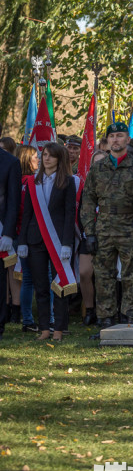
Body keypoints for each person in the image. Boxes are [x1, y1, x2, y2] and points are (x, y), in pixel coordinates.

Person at [81, 122, 133, 327]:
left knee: (132, 276)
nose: (115, 140)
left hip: (130, 227)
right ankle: (106, 321)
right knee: (104, 276)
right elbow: (87, 201)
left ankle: (130, 321)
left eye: (120, 135)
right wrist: (90, 233)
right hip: (103, 228)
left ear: (127, 140)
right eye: (112, 136)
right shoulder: (98, 168)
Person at [18, 143, 76, 342]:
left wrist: (68, 243)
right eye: (44, 155)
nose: (46, 159)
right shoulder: (33, 182)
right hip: (35, 239)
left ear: (60, 158)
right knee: (40, 285)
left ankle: (58, 329)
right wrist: (23, 241)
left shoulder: (68, 182)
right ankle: (44, 329)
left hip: (58, 240)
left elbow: (70, 215)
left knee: (59, 285)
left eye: (51, 156)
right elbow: (26, 214)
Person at [77, 149, 108, 326]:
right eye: (94, 163)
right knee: (84, 272)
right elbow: (83, 211)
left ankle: (105, 311)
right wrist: (87, 233)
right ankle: (89, 310)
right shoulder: (87, 185)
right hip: (89, 235)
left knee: (105, 275)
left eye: (101, 162)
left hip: (109, 234)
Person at [15, 145, 40, 331]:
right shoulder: (31, 182)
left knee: (28, 279)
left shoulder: (15, 181)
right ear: (27, 160)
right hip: (32, 235)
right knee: (38, 277)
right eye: (35, 157)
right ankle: (38, 319)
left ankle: (27, 319)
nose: (38, 161)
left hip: (18, 234)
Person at [0, 133, 22, 341]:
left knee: (1, 280)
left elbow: (13, 201)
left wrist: (7, 232)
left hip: (1, 231)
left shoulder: (11, 162)